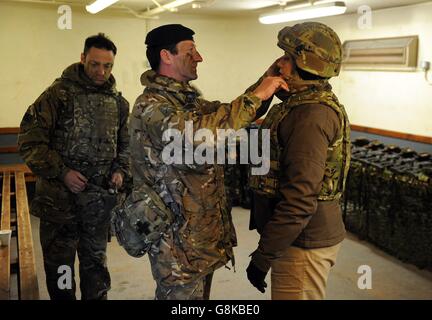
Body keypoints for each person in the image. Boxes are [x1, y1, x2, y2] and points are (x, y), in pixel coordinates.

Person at [129, 24, 287, 300]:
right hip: (176, 243)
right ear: (167, 56)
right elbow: (201, 136)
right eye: (191, 51)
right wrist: (259, 93)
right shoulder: (153, 106)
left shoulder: (186, 101)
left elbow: (230, 116)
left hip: (198, 236)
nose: (199, 57)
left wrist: (267, 79)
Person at [18, 33, 130, 300]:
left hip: (97, 207)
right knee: (62, 271)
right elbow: (30, 141)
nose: (101, 71)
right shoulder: (57, 95)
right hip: (60, 205)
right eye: (94, 64)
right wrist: (63, 172)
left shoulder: (118, 103)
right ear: (82, 59)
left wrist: (120, 171)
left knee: (96, 271)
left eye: (108, 66)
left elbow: (126, 146)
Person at [247, 22, 351, 300]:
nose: (278, 63)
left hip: (302, 243)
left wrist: (262, 257)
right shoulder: (301, 104)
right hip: (297, 238)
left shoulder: (309, 116)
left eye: (286, 58)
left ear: (305, 65)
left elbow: (300, 198)